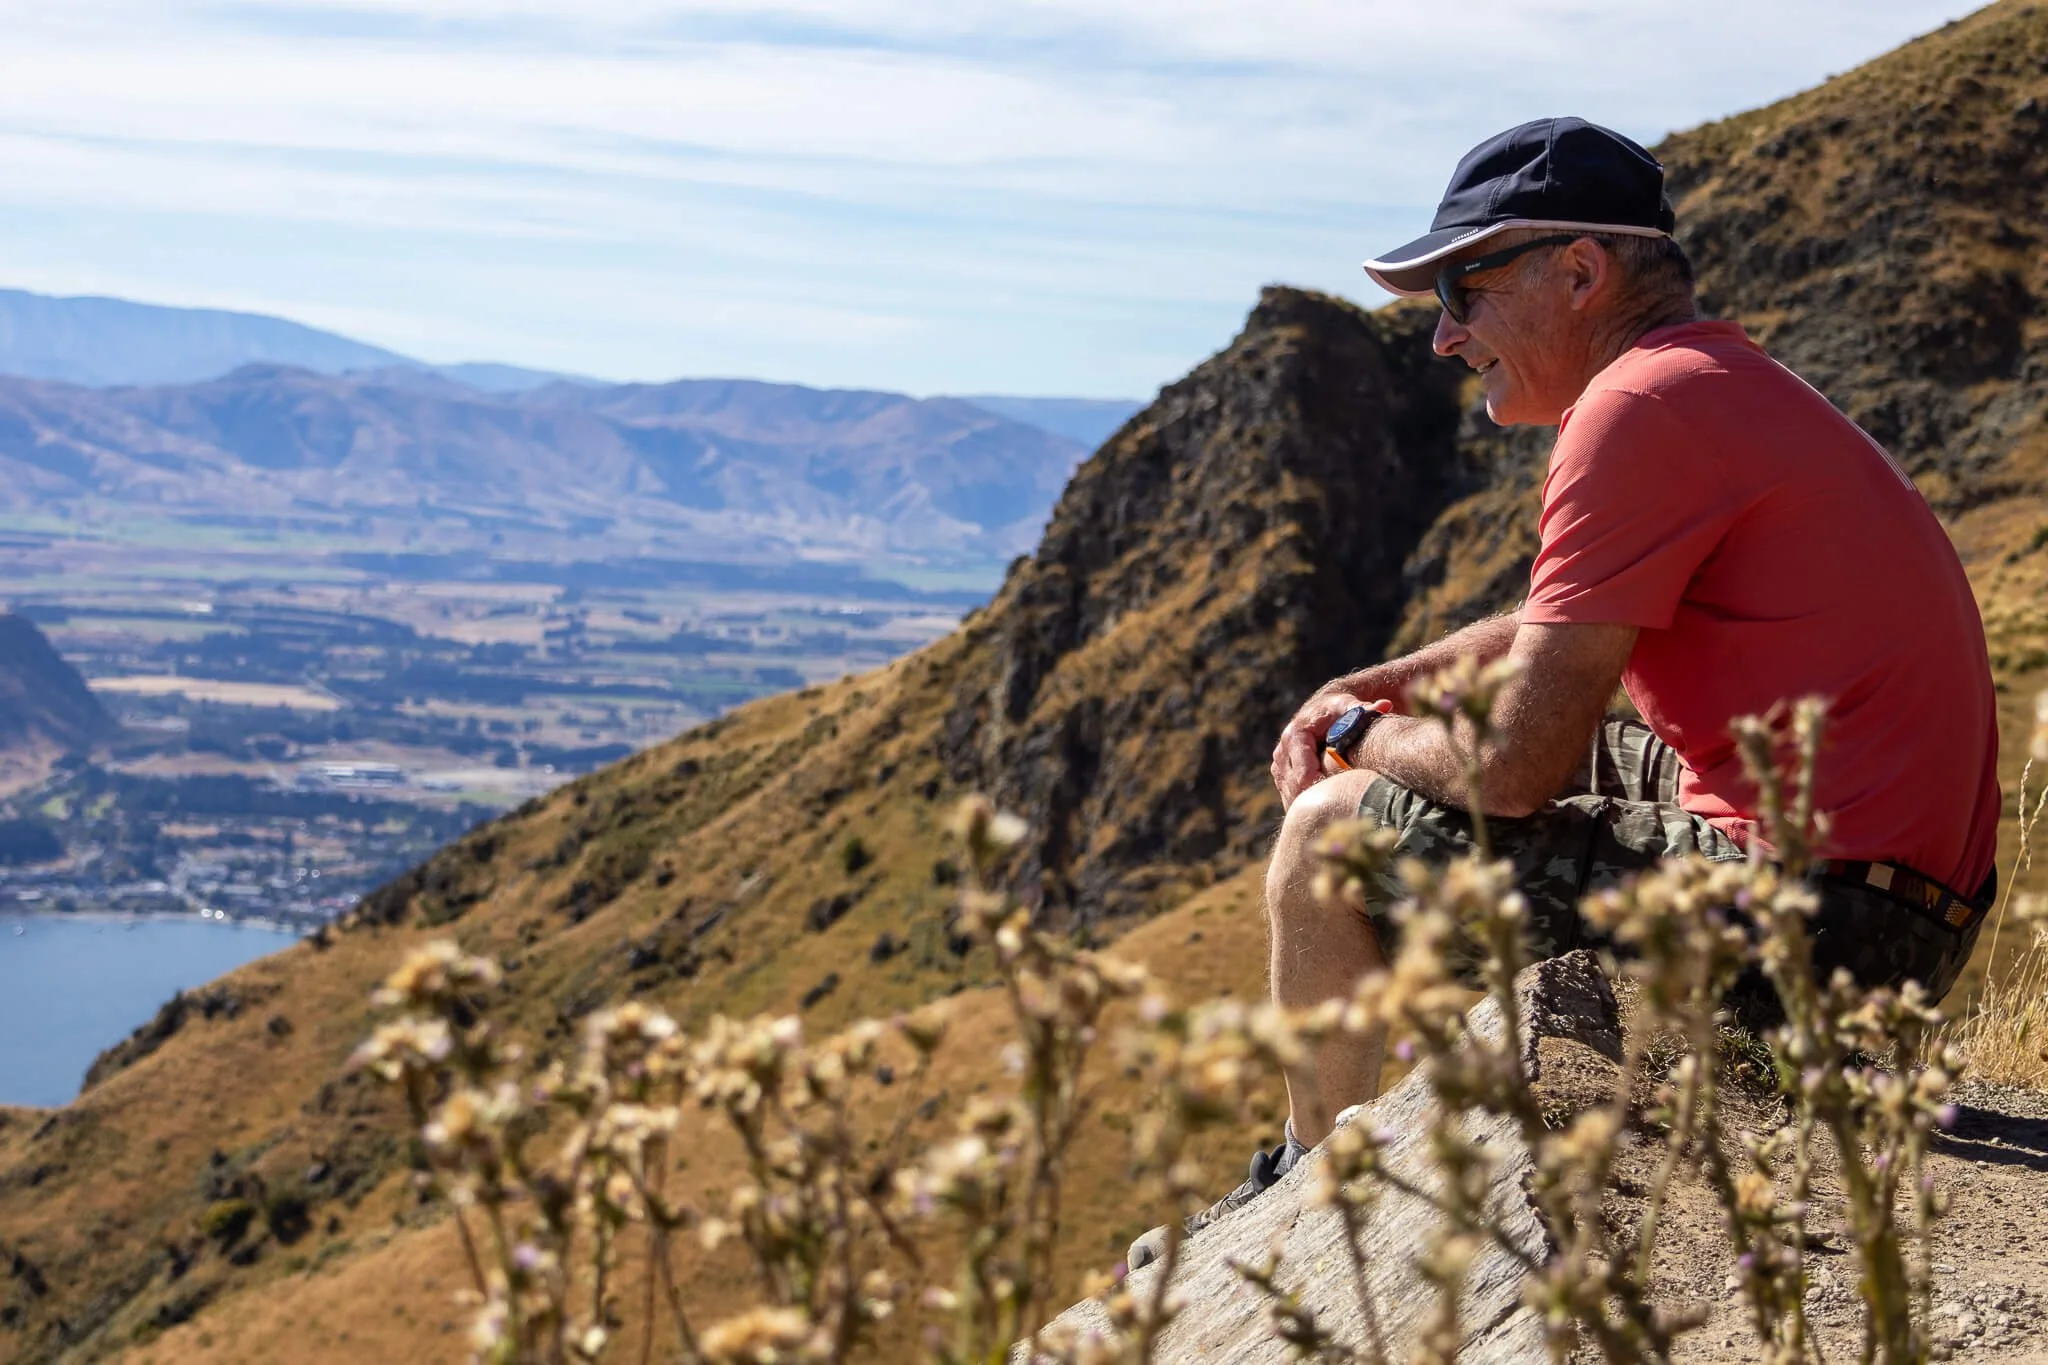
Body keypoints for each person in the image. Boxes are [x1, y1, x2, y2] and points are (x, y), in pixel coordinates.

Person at [1127, 116, 2000, 1271]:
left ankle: (1307, 1191)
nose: (1443, 337)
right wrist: (1386, 686)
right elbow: (1560, 628)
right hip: (1884, 909)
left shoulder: (1633, 412)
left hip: (1818, 932)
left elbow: (1506, 775)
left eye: (1462, 290)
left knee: (1328, 832)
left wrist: (1350, 733)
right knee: (1491, 749)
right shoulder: (1709, 385)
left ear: (1578, 272)